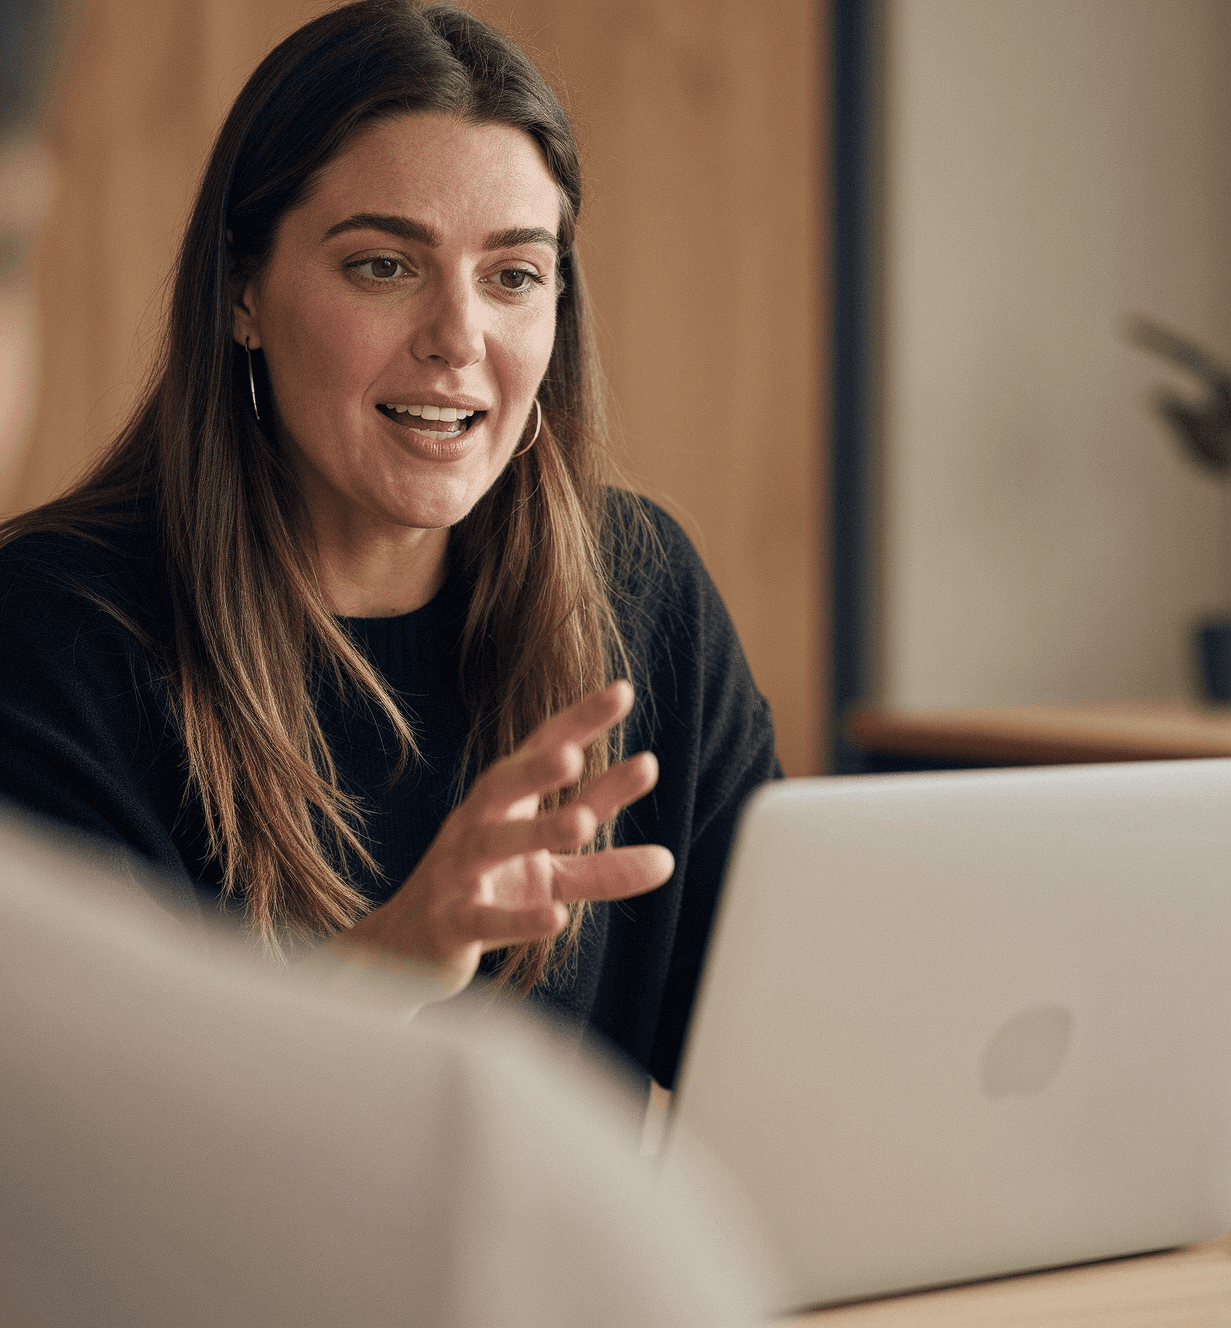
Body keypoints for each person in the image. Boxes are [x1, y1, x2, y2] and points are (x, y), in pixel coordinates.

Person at [0, 4, 779, 1322]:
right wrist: (386, 965)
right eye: (383, 267)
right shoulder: (50, 635)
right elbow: (91, 1202)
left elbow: (779, 1046)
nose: (459, 339)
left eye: (514, 274)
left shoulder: (643, 588)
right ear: (243, 292)